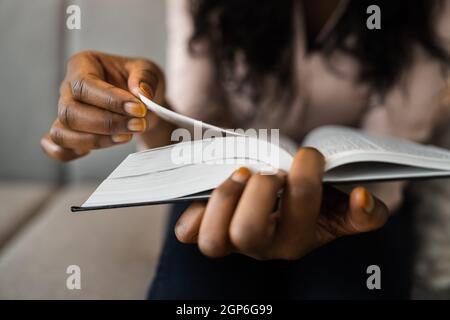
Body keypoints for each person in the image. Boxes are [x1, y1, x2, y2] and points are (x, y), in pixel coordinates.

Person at [40, 0, 450, 299]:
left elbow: (388, 153)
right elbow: (192, 140)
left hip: (358, 202)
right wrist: (149, 106)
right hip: (224, 187)